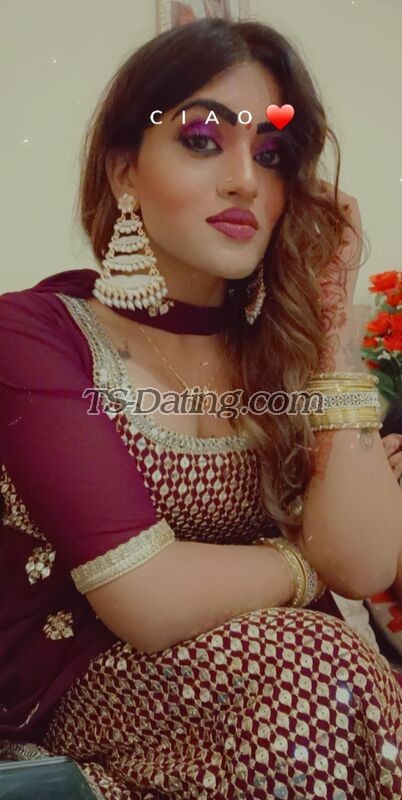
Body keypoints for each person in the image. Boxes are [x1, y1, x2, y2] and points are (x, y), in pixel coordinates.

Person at [1, 17, 402, 800]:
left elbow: (362, 564)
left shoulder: (281, 353)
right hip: (82, 706)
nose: (245, 180)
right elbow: (146, 598)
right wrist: (303, 559)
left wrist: (331, 323)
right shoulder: (37, 336)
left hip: (280, 706)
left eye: (271, 154)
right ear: (124, 171)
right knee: (313, 665)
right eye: (201, 140)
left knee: (325, 670)